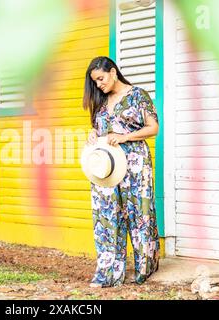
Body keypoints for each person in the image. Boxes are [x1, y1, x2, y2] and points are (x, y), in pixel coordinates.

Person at [82, 56, 160, 286]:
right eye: (95, 81)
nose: (98, 84)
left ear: (113, 71)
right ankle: (108, 272)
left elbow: (153, 127)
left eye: (101, 78)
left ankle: (145, 266)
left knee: (139, 213)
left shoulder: (137, 95)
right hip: (106, 164)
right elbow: (99, 129)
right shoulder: (101, 101)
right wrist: (92, 135)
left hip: (135, 162)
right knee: (106, 216)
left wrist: (124, 137)